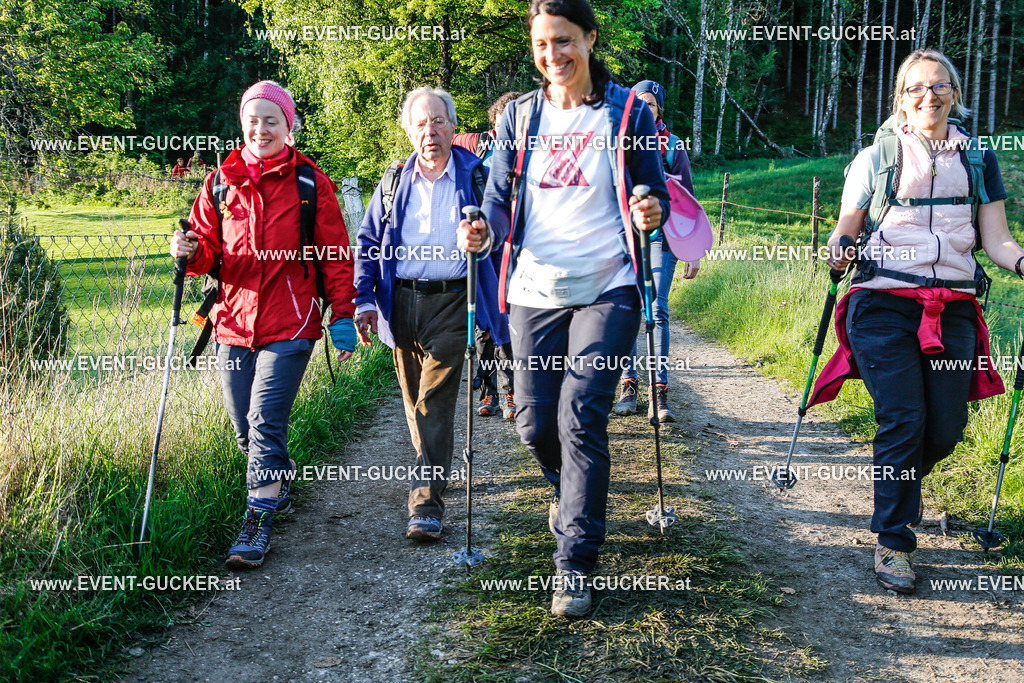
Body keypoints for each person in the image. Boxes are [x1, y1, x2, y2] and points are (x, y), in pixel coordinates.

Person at [459, 0, 670, 617]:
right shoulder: (521, 117)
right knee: (533, 423)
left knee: (581, 415)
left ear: (590, 39)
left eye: (565, 40)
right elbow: (499, 198)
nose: (554, 55)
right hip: (534, 289)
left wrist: (649, 209)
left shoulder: (626, 110)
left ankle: (574, 560)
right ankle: (572, 491)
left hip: (610, 284)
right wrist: (485, 231)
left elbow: (651, 188)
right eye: (543, 44)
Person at [826, 49, 1020, 594]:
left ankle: (898, 488)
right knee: (904, 417)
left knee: (946, 428)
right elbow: (846, 227)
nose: (928, 96)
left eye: (938, 87)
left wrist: (1022, 261)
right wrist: (838, 249)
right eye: (916, 87)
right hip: (881, 300)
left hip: (953, 304)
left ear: (954, 95)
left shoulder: (978, 160)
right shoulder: (877, 157)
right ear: (901, 98)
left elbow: (998, 239)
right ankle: (893, 543)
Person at [170, 80, 358, 569]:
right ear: (242, 124)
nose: (261, 129)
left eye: (271, 120)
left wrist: (342, 314)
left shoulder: (309, 184)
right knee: (242, 431)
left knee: (263, 423)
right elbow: (206, 250)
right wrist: (188, 253)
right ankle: (279, 485)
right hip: (232, 322)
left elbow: (335, 255)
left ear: (288, 126)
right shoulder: (218, 182)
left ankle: (257, 521)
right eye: (252, 120)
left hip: (291, 323)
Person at [355, 86, 509, 542]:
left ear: (454, 127)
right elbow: (366, 244)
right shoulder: (393, 183)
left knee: (433, 400)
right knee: (412, 401)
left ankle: (426, 503)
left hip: (453, 300)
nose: (430, 131)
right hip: (400, 301)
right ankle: (435, 471)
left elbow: (505, 235)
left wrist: (485, 240)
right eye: (420, 123)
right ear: (407, 131)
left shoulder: (479, 177)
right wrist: (364, 301)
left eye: (438, 121)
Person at [612, 79, 700, 422]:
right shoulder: (618, 141)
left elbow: (689, 202)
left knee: (657, 308)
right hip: (626, 239)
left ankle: (659, 391)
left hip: (663, 238)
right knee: (628, 309)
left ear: (658, 109)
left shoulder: (674, 146)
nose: (644, 109)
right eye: (639, 102)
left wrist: (693, 250)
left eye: (650, 104)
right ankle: (628, 383)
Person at [454, 91, 522, 419]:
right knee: (484, 321)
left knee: (507, 319)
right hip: (483, 247)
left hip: (518, 246)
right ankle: (487, 391)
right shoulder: (476, 143)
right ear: (494, 122)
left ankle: (511, 392)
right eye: (503, 120)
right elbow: (440, 136)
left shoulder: (531, 148)